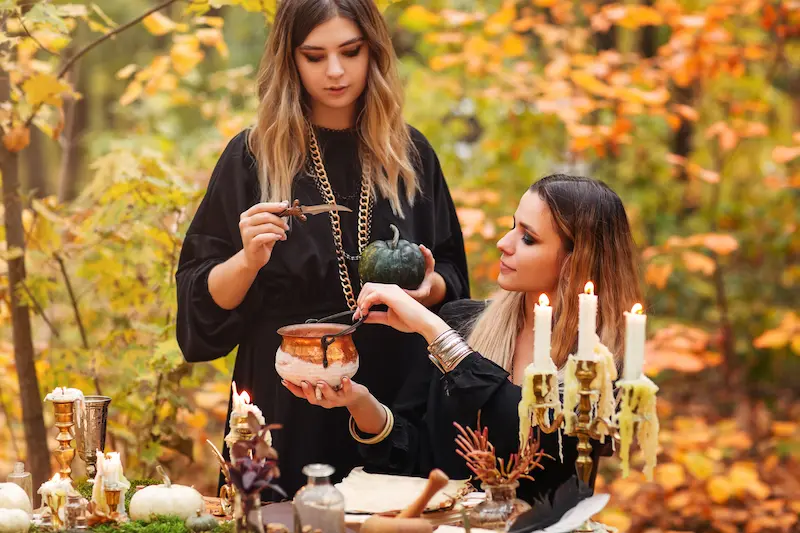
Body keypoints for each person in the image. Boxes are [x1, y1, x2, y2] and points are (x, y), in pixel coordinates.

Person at [175, 0, 470, 497]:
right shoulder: (252, 157)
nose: (335, 71)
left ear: (372, 51)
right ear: (290, 61)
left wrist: (427, 286)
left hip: (396, 399)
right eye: (314, 56)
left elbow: (455, 286)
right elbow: (200, 318)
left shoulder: (411, 154)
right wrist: (247, 260)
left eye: (350, 52)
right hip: (287, 399)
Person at [284, 175, 642, 502]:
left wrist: (434, 330)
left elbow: (527, 437)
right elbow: (418, 456)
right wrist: (359, 402)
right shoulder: (465, 321)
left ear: (575, 261)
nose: (504, 243)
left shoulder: (597, 362)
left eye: (528, 238)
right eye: (511, 227)